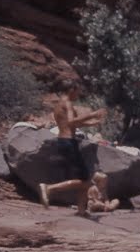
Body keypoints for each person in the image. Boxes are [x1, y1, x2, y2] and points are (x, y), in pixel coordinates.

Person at [39, 86, 108, 215]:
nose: (79, 94)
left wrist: (91, 123)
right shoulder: (68, 103)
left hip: (64, 141)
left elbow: (71, 124)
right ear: (71, 89)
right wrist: (91, 114)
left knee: (84, 180)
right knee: (85, 181)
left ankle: (82, 211)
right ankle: (48, 188)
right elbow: (71, 122)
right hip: (69, 142)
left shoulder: (59, 104)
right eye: (78, 91)